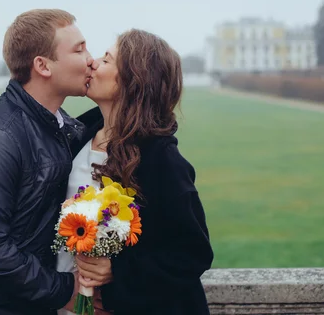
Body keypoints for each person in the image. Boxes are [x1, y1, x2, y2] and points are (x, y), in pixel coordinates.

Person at [0, 9, 112, 315]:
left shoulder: (65, 128)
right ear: (42, 65)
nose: (90, 59)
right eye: (79, 49)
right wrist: (65, 289)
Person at [66, 29, 214, 314]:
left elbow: (193, 253)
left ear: (133, 82)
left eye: (107, 60)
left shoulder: (162, 160)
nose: (93, 63)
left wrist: (117, 270)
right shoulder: (74, 138)